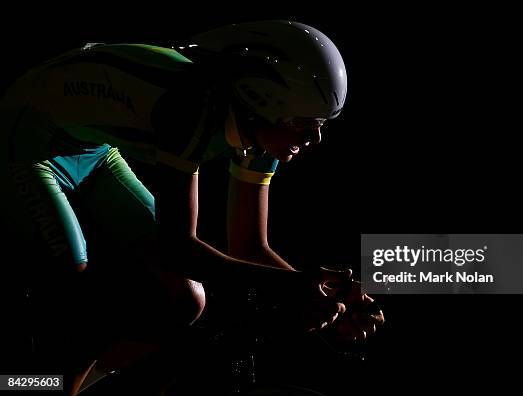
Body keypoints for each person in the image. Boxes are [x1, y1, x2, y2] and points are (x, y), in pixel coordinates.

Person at [0, 20, 384, 394]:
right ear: (259, 99)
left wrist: (330, 300)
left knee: (185, 300)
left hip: (95, 151)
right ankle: (28, 387)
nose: (315, 138)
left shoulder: (266, 129)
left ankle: (74, 385)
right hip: (29, 141)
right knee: (81, 295)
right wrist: (296, 286)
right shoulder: (191, 104)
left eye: (322, 124)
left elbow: (249, 247)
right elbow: (178, 247)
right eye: (305, 124)